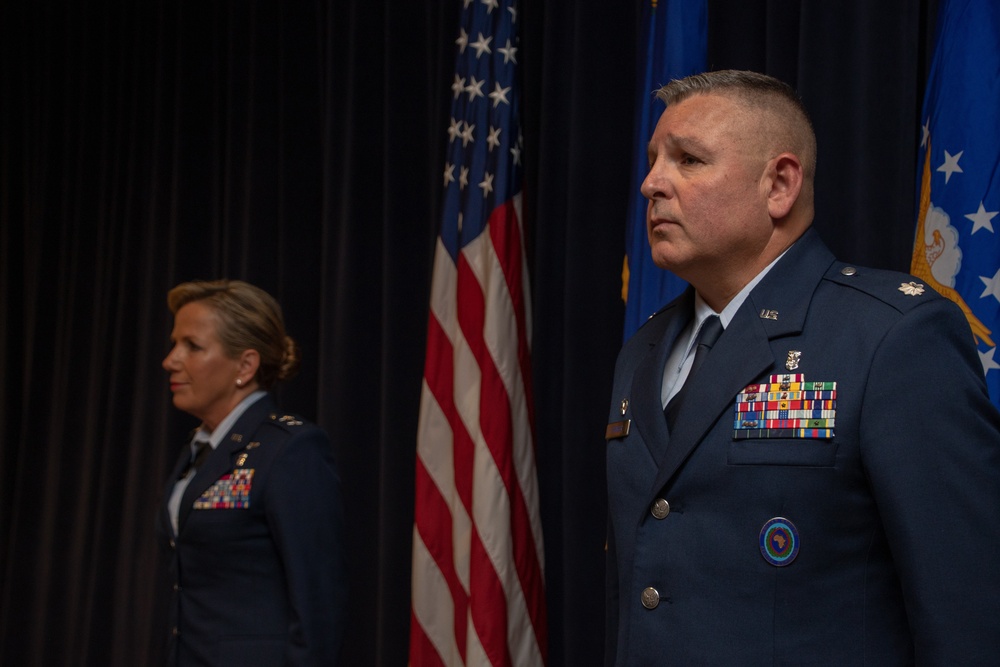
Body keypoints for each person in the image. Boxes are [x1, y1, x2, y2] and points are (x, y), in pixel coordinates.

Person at [604, 70, 1000, 665]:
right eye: (655, 159)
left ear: (780, 185)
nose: (651, 183)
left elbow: (968, 615)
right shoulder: (643, 350)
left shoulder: (890, 336)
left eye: (687, 160)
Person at [158, 279, 347, 666]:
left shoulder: (290, 449)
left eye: (192, 346)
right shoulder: (200, 448)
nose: (171, 360)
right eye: (175, 344)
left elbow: (318, 606)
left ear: (245, 365)